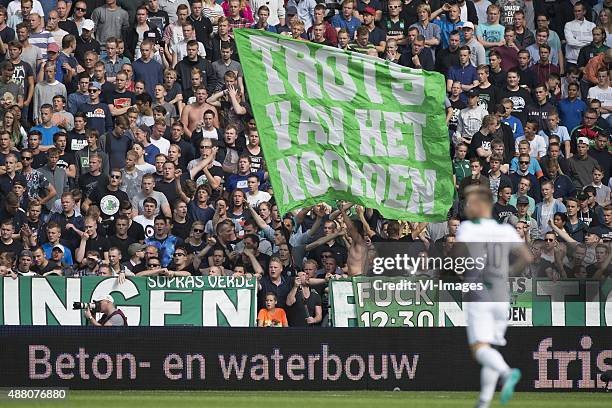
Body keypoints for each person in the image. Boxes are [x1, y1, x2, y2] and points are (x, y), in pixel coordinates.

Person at [456, 185, 531, 408]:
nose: (467, 208)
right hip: (502, 295)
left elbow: (458, 255)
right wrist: (508, 273)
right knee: (489, 347)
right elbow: (527, 256)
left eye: (470, 203)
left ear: (481, 205)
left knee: (479, 348)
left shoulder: (468, 228)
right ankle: (484, 402)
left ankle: (507, 372)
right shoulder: (506, 230)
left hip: (479, 293)